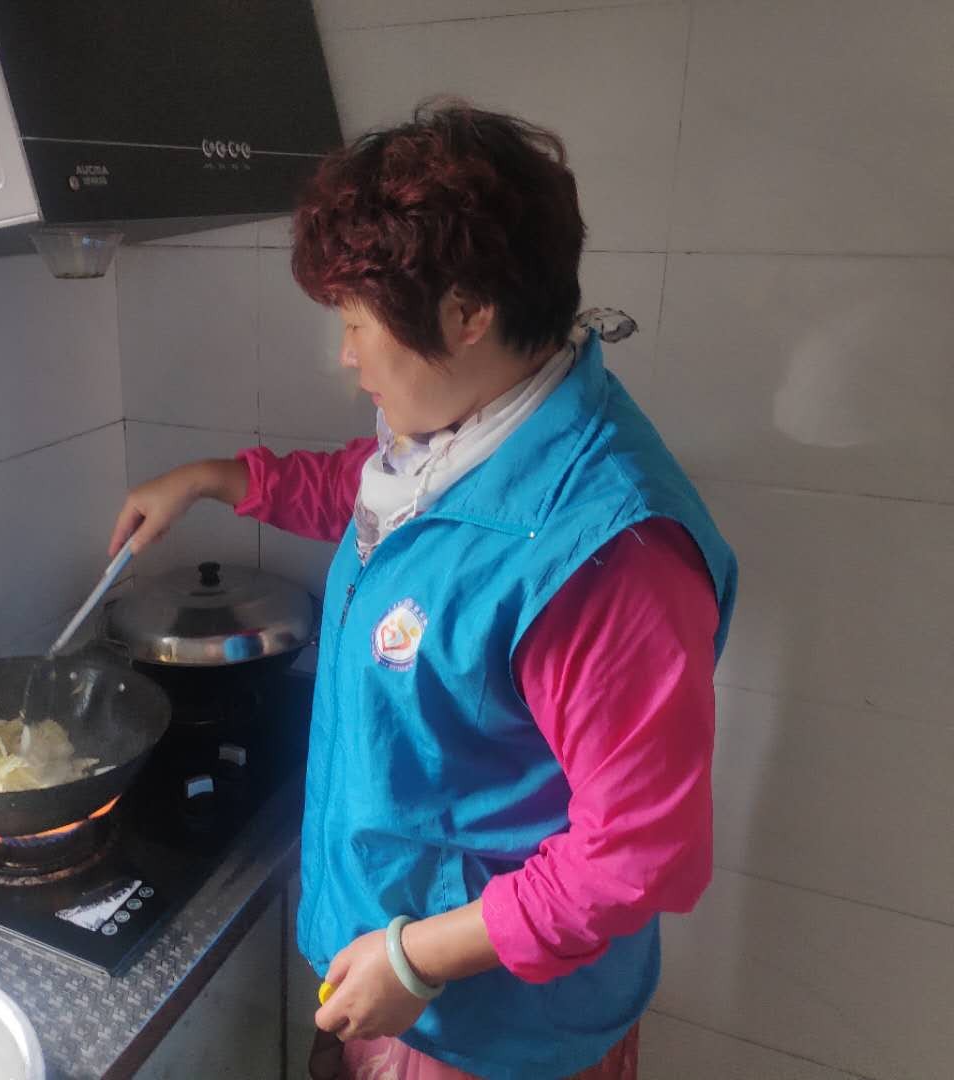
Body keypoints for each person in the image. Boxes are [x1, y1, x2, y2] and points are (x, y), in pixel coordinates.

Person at [108, 102, 737, 1080]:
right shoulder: (479, 429)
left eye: (356, 323)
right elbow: (390, 508)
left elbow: (637, 855)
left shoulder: (613, 559)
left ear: (467, 312)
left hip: (494, 1032)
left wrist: (417, 959)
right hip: (394, 966)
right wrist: (216, 479)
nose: (346, 354)